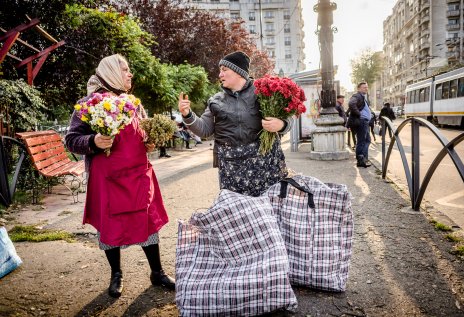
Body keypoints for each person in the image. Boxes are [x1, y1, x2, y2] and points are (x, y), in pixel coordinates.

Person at [65, 54, 175, 298]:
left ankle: (157, 272)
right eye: (125, 70)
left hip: (137, 174)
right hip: (107, 179)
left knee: (147, 222)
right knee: (110, 227)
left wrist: (149, 143)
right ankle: (116, 274)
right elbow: (71, 140)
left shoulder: (134, 102)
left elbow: (143, 132)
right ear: (112, 72)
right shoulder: (89, 103)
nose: (130, 74)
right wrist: (93, 140)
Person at [178, 51, 293, 197]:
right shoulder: (216, 101)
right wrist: (187, 114)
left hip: (265, 166)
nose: (220, 75)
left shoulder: (264, 94)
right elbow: (204, 130)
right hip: (231, 168)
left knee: (267, 210)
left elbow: (289, 119)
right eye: (220, 71)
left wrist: (281, 124)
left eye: (224, 70)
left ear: (240, 73)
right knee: (237, 214)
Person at [347, 82, 372, 168]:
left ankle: (363, 159)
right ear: (359, 88)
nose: (366, 88)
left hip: (364, 122)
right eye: (364, 87)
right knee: (361, 141)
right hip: (361, 121)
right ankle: (360, 161)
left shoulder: (363, 97)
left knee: (367, 140)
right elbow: (351, 104)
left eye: (366, 87)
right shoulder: (357, 96)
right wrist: (359, 114)